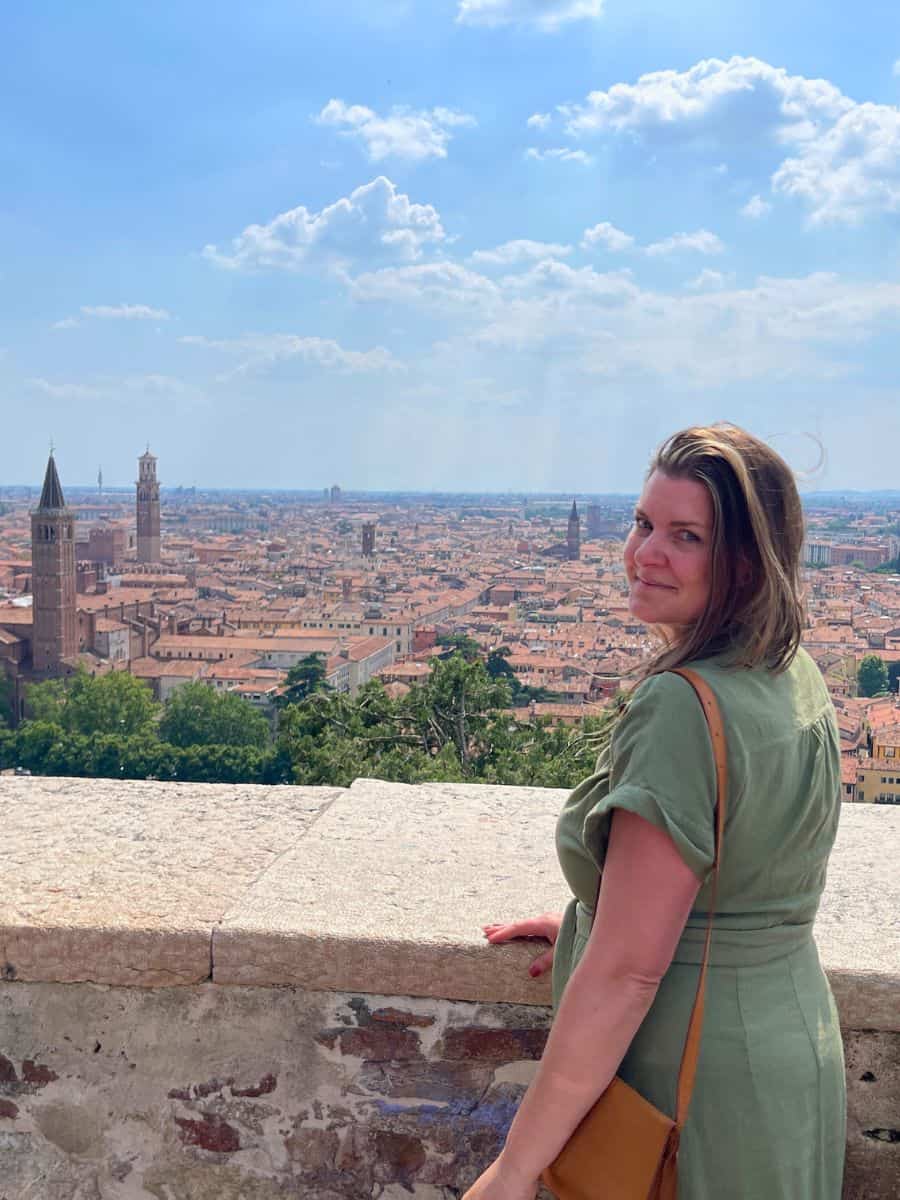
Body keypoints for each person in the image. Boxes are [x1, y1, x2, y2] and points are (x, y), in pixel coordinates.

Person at [463, 424, 846, 1200]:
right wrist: (601, 909)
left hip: (691, 1080)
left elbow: (628, 974)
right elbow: (737, 871)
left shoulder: (681, 705)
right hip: (792, 1054)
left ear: (745, 561)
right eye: (643, 524)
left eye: (686, 536)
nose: (645, 554)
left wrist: (512, 1172)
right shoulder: (790, 671)